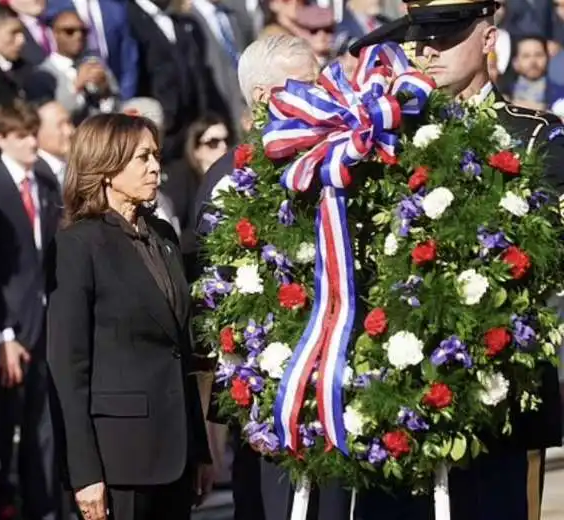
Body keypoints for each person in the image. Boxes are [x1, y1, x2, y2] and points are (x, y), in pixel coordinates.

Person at [350, 1, 564, 519]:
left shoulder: (536, 137)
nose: (427, 50)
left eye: (445, 35)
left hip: (493, 400)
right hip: (390, 403)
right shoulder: (382, 135)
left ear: (489, 40)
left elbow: (544, 259)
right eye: (418, 36)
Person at [189, 34, 354, 520]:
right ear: (265, 98)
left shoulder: (331, 162)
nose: (322, 92)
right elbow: (219, 298)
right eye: (307, 84)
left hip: (334, 392)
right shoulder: (230, 179)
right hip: (270, 401)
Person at [46, 113, 213, 520]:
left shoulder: (163, 237)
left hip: (175, 453)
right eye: (143, 158)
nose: (156, 167)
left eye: (156, 155)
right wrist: (84, 473)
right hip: (119, 459)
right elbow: (68, 366)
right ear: (106, 168)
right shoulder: (78, 244)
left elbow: (177, 350)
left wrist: (200, 449)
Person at [0, 100, 63, 520]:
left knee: (45, 426)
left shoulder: (44, 181)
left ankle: (46, 507)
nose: (31, 142)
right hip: (11, 330)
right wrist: (4, 335)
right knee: (7, 424)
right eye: (21, 135)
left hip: (47, 322)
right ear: (1, 138)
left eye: (32, 133)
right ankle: (2, 506)